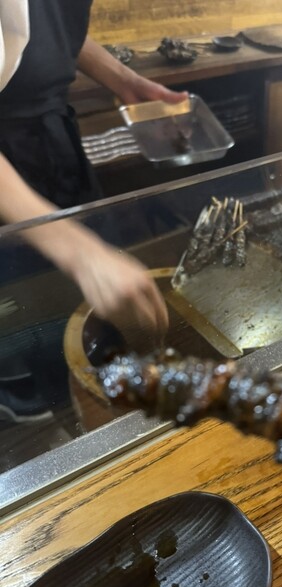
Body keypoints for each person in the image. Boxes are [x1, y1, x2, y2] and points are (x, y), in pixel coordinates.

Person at [0, 1, 187, 423]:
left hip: (52, 137)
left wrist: (123, 78)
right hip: (8, 165)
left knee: (88, 300)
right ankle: (29, 393)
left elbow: (44, 21)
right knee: (29, 309)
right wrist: (78, 250)